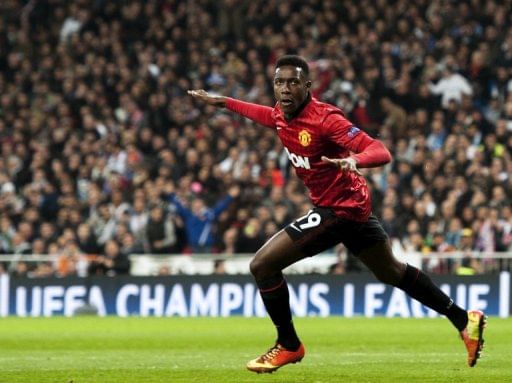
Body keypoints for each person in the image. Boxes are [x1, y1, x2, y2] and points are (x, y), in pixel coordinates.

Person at [188, 55, 486, 373]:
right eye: (279, 82)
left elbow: (380, 150)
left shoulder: (325, 118)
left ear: (307, 86)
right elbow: (261, 113)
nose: (285, 89)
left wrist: (355, 160)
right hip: (354, 207)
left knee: (262, 265)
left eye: (292, 82)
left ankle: (289, 345)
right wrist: (223, 102)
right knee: (391, 273)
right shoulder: (279, 114)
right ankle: (464, 319)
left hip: (339, 210)